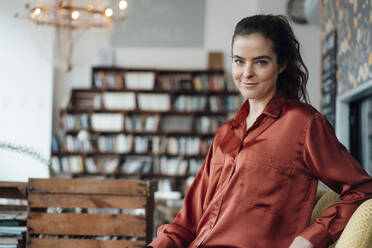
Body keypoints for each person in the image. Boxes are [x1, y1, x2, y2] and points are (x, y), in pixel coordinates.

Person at [148, 15, 372, 248]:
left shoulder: (304, 124)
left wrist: (311, 237)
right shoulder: (225, 133)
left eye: (261, 62)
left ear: (281, 64)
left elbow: (363, 189)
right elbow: (185, 224)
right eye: (239, 61)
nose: (247, 73)